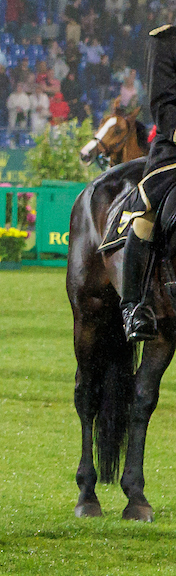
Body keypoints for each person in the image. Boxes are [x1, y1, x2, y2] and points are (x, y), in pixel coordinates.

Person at [117, 22, 176, 340]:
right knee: (148, 212)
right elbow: (163, 104)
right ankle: (133, 306)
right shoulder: (165, 41)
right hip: (174, 150)